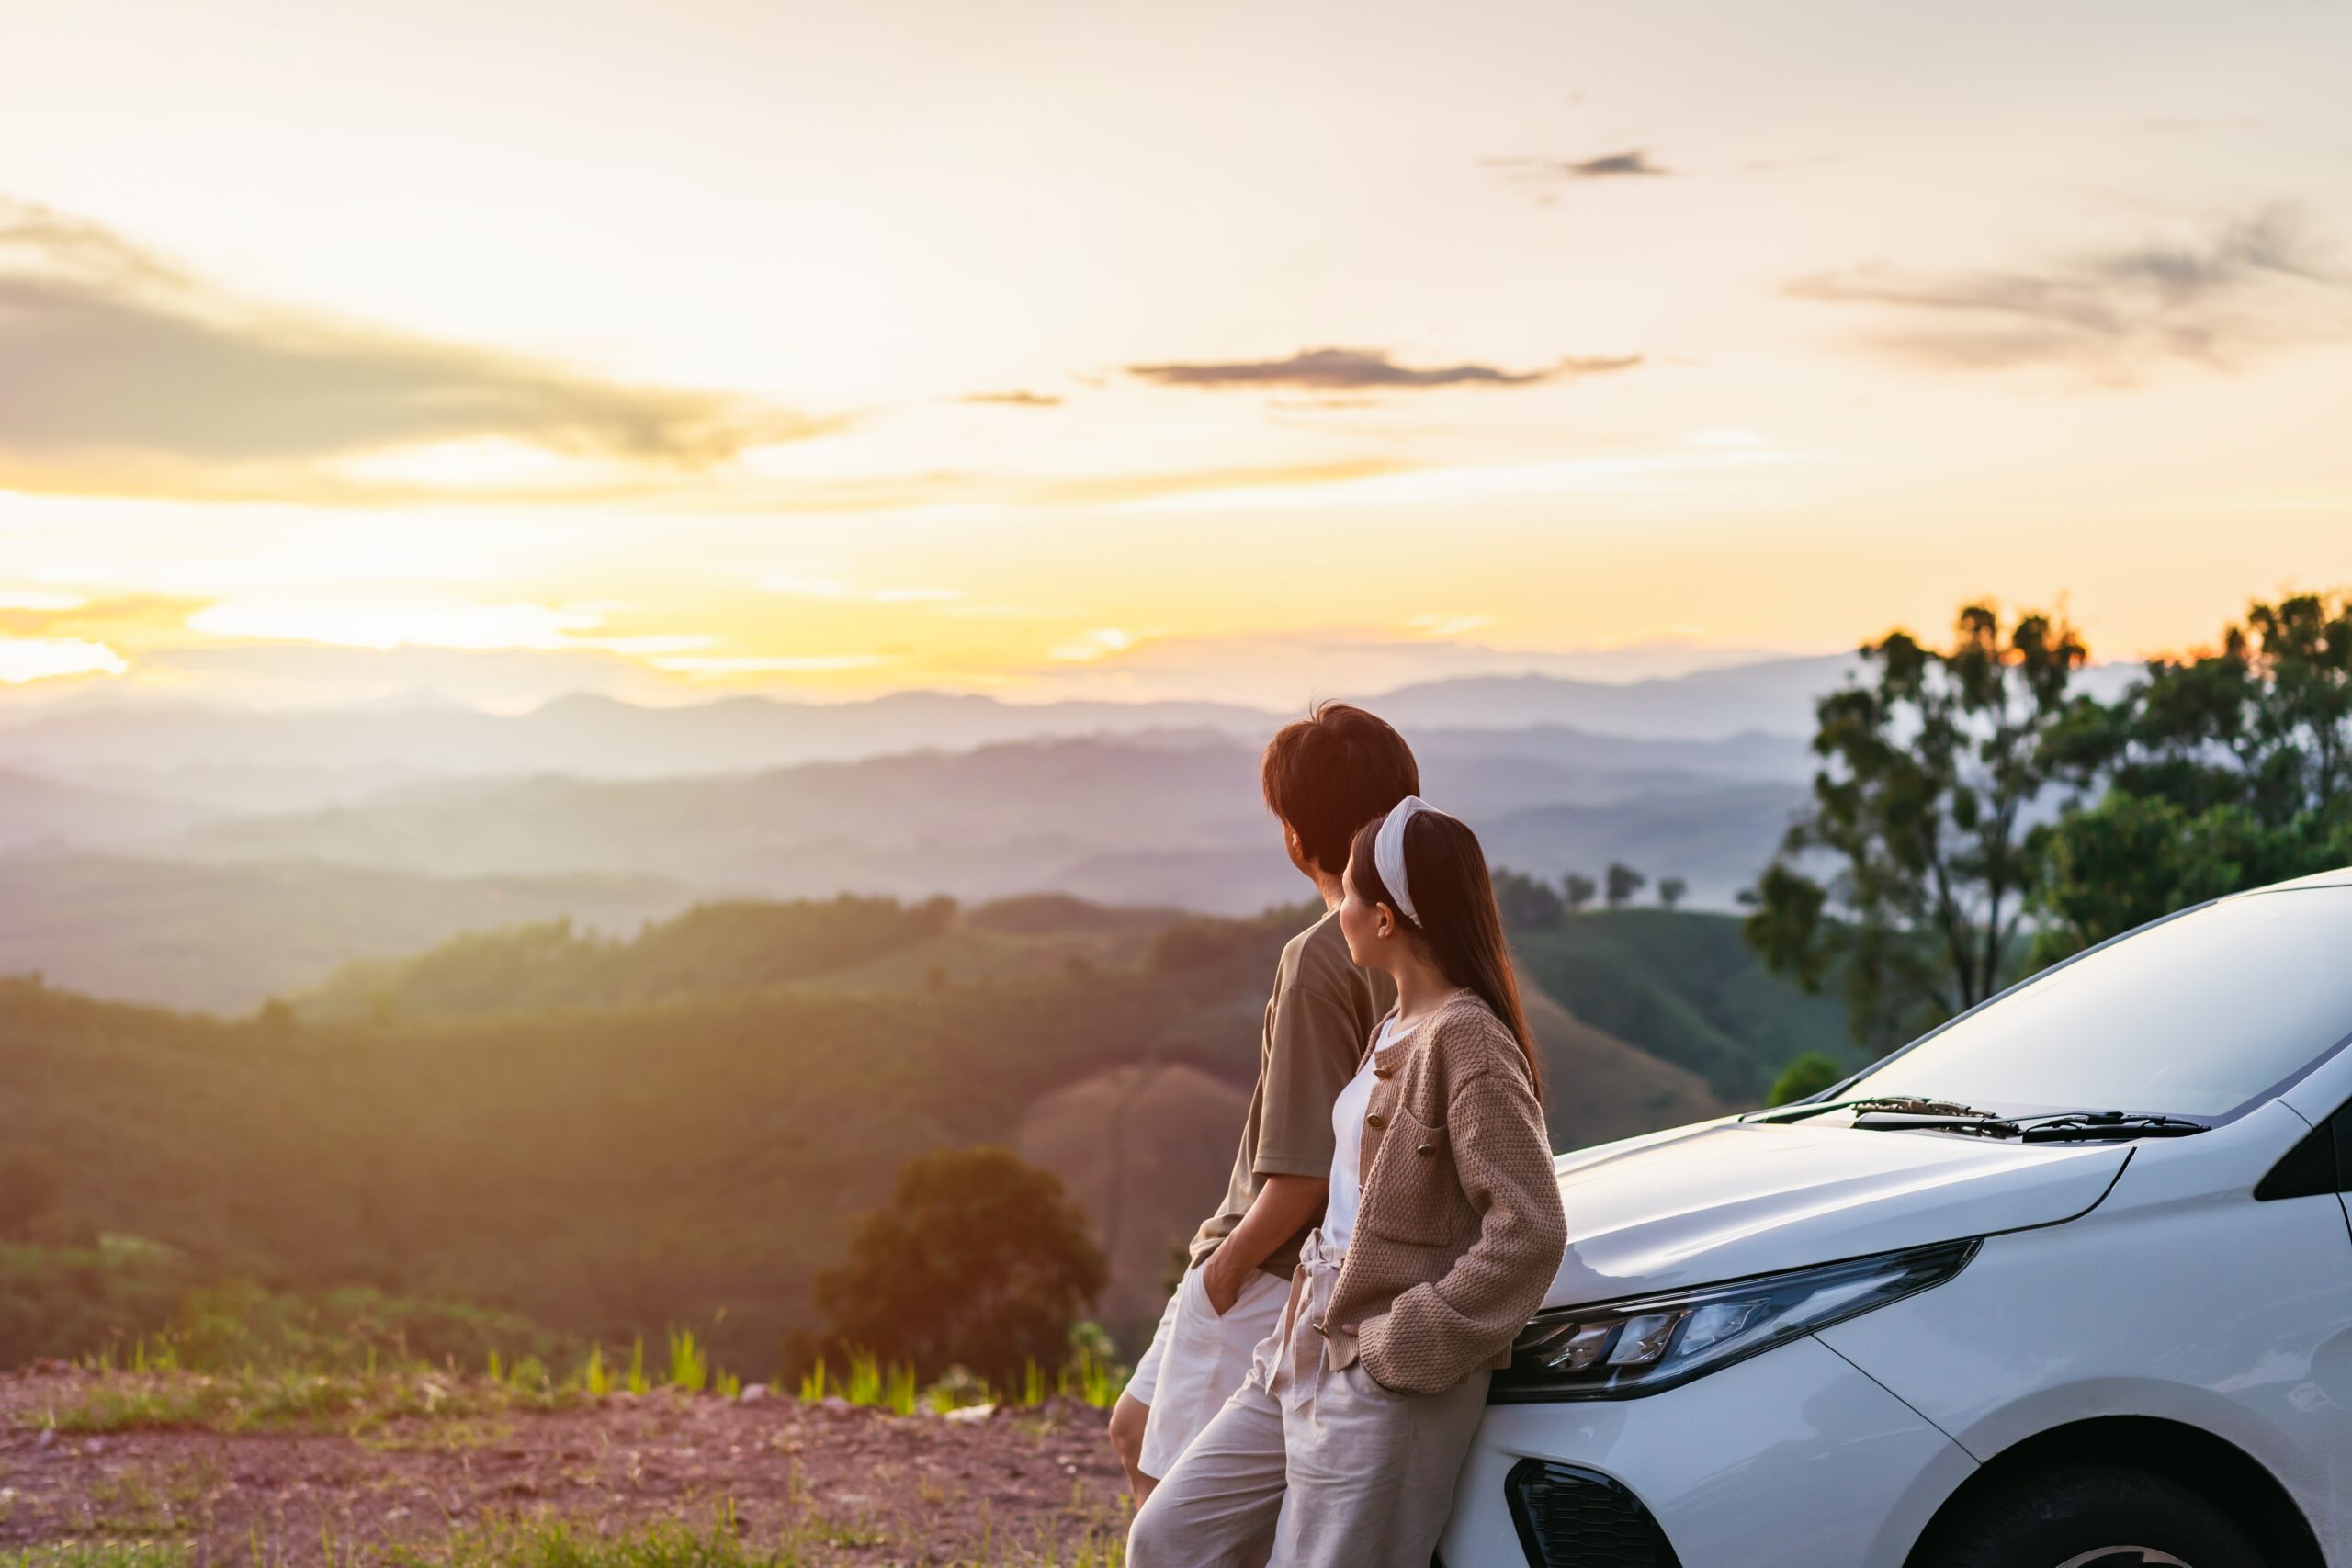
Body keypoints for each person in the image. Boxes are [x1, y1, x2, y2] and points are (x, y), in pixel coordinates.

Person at [1127, 796, 1568, 1568]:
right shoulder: (1394, 1025)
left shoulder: (1468, 1040)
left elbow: (1530, 1229)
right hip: (1299, 1347)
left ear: (1388, 918)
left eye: (1355, 893)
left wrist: (1408, 1339)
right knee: (1170, 1537)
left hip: (1381, 1378)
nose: (1344, 910)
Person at [1108, 703, 1420, 1503]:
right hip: (1331, 1266)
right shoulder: (1427, 940)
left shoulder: (1319, 958)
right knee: (1136, 1427)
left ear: (1294, 835)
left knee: (1176, 1505)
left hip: (1274, 1268)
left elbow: (1306, 1174)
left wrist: (1225, 1272)